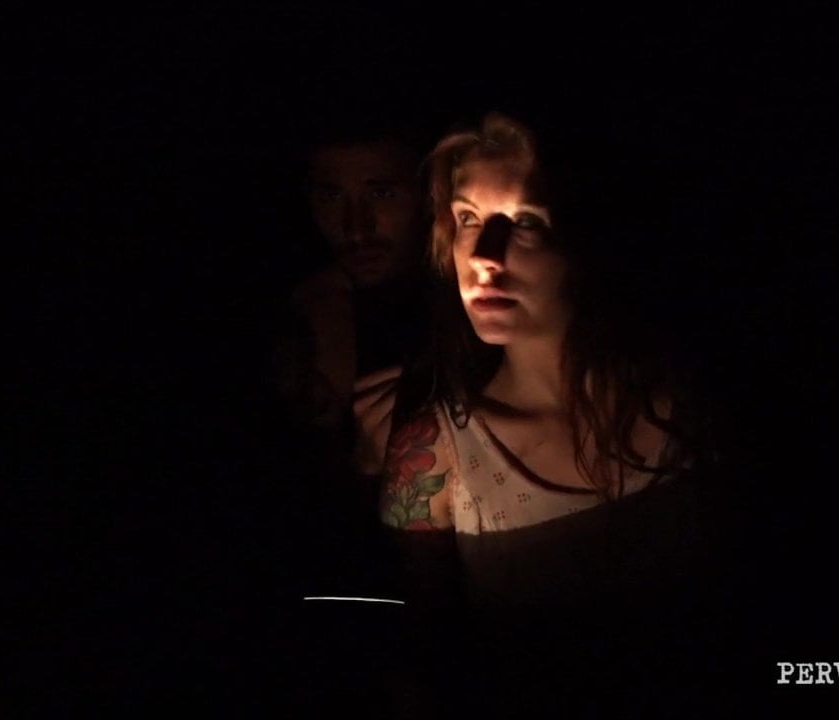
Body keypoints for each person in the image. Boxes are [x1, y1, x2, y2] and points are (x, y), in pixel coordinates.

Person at [376, 113, 724, 714]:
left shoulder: (689, 402)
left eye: (526, 222)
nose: (484, 258)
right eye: (467, 219)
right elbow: (420, 661)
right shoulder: (434, 455)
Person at [274, 122, 434, 480]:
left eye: (382, 194)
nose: (356, 226)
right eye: (331, 198)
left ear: (427, 194)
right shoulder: (295, 321)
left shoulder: (477, 314)